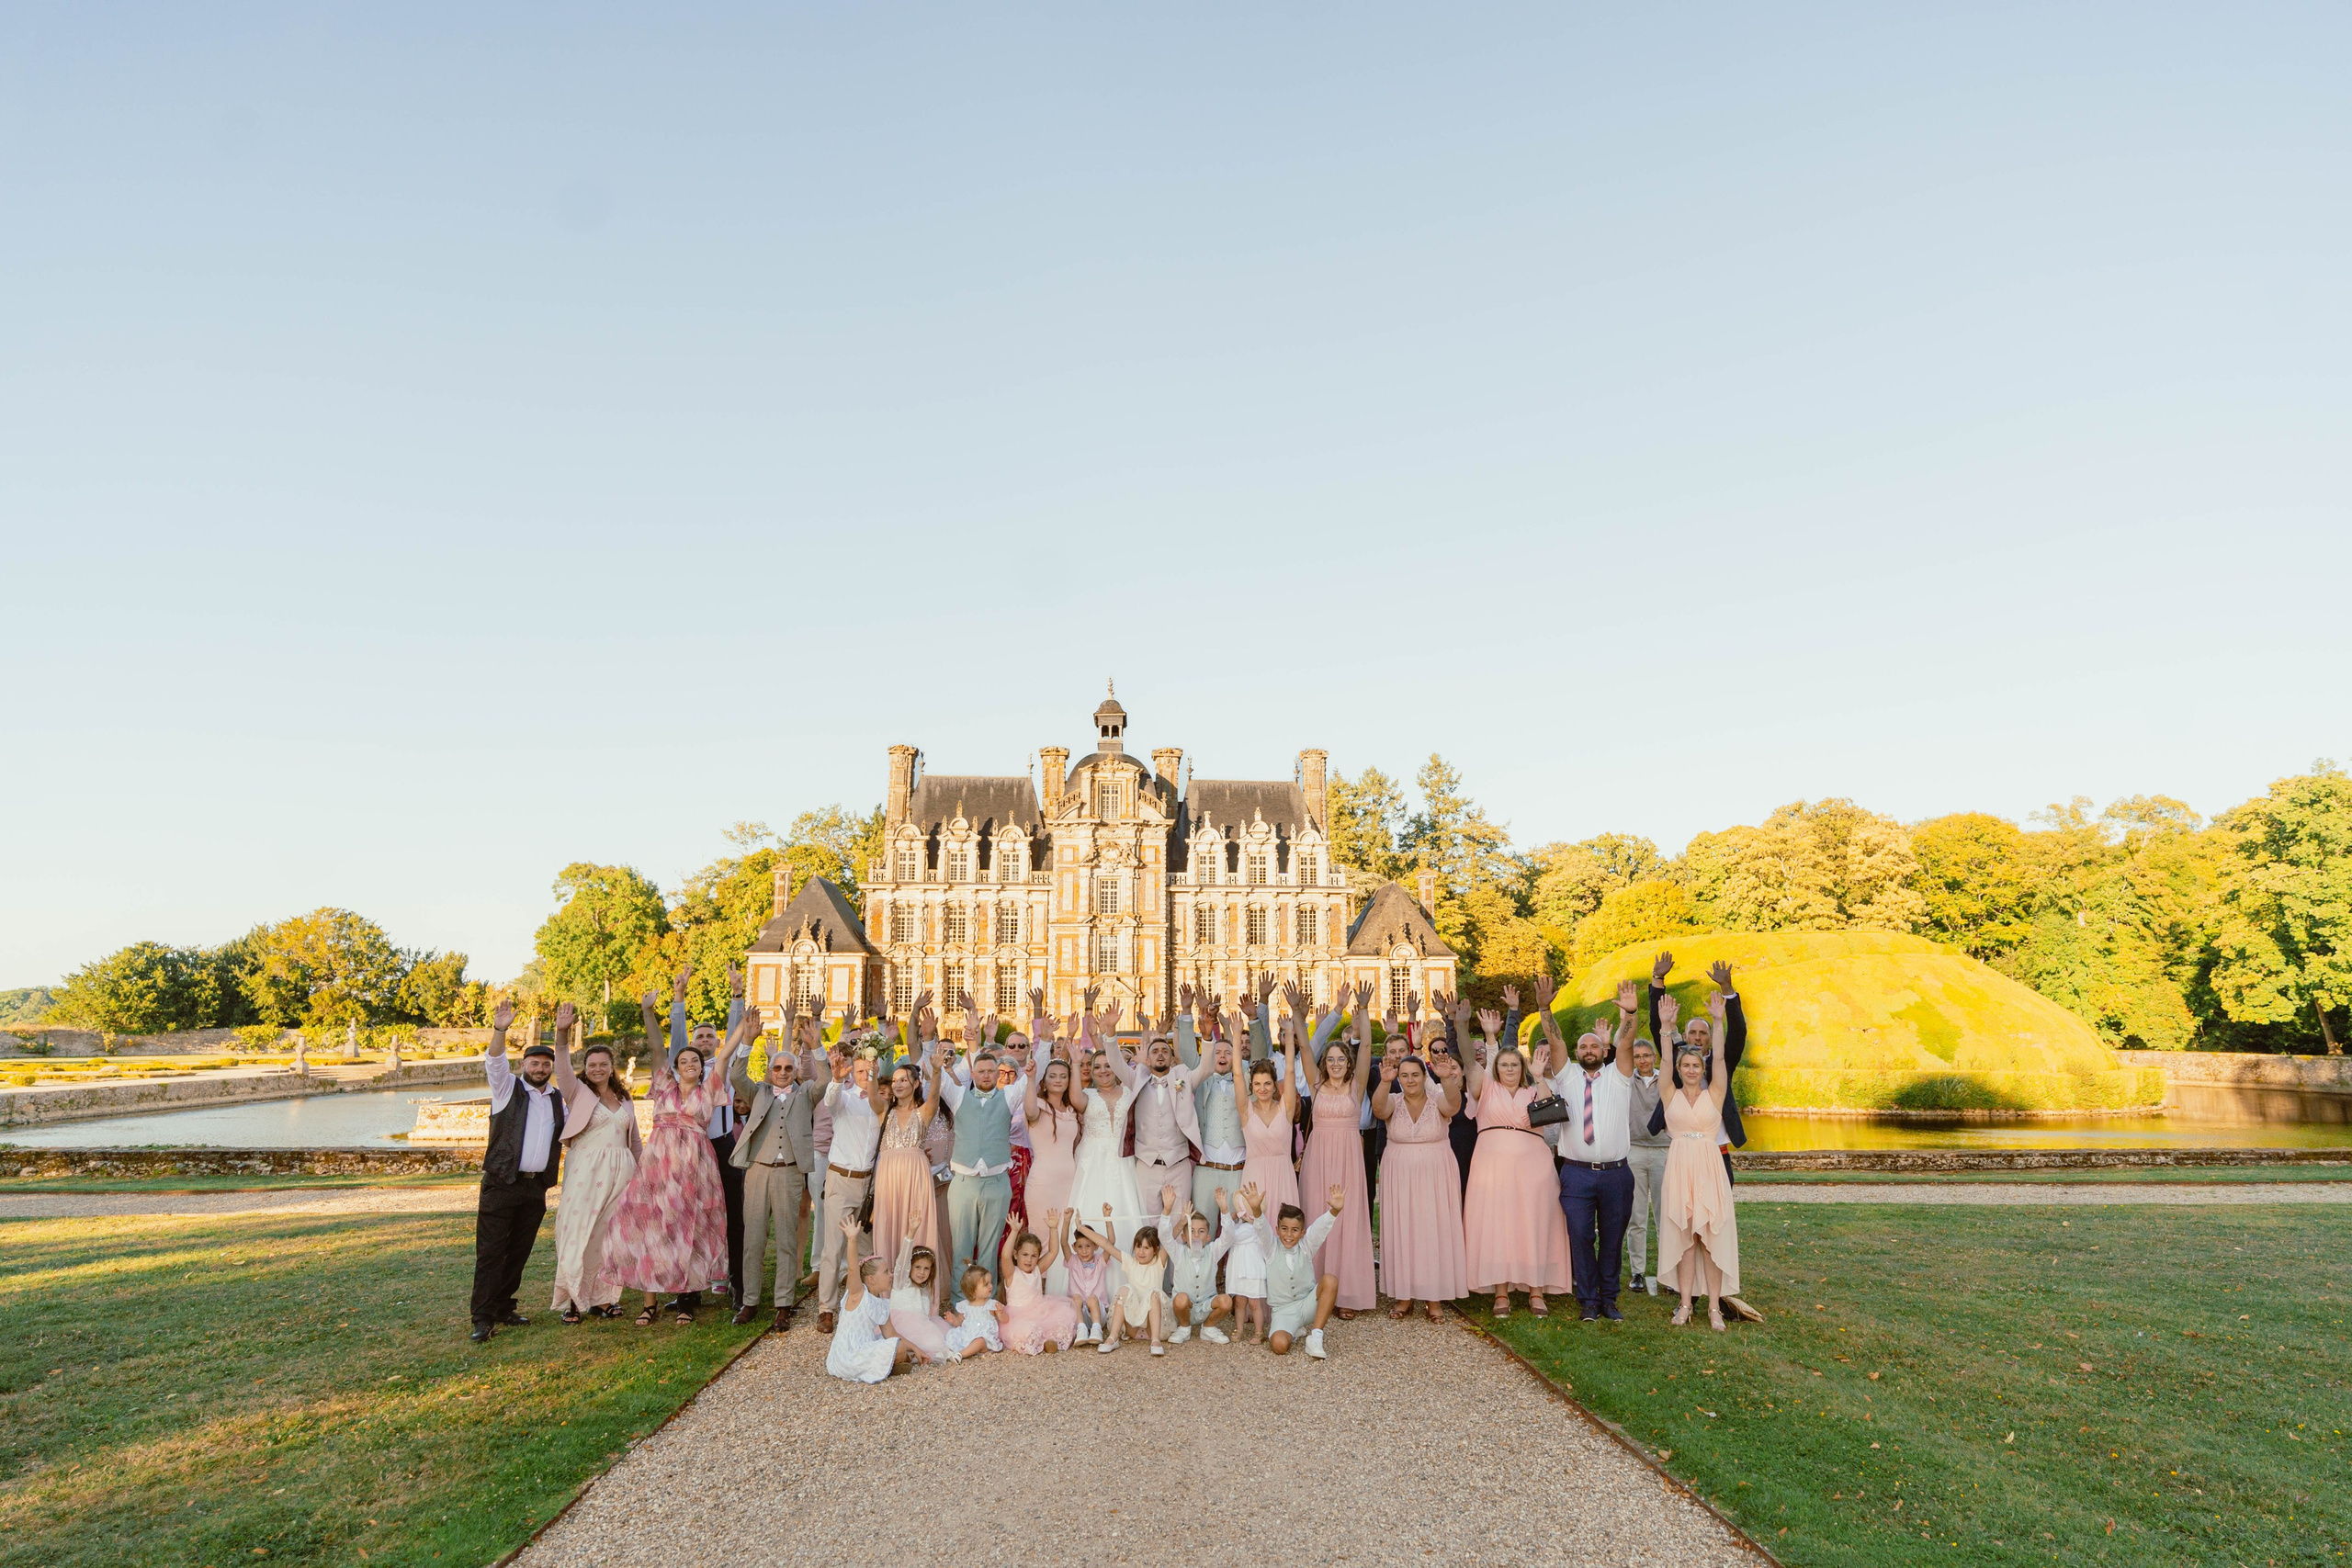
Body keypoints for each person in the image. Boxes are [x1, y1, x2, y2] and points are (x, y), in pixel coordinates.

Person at [597, 999, 745, 1325]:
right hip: (658, 1166)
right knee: (646, 1225)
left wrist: (743, 1027)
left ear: (701, 1067)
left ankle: (686, 1301)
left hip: (695, 1166)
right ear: (676, 1067)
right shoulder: (664, 1086)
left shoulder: (709, 1091)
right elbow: (655, 1045)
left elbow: (724, 1056)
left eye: (695, 1060)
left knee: (688, 1229)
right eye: (684, 1060)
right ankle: (648, 1303)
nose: (690, 1063)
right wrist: (649, 1012)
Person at [1460, 1003, 1574, 1319]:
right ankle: (1500, 1292)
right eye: (1504, 1064)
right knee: (1497, 1224)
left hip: (1533, 1168)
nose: (1510, 1069)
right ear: (1497, 1068)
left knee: (1532, 1222)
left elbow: (1555, 1111)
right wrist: (1490, 1035)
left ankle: (1536, 1290)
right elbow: (1472, 1063)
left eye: (1515, 1065)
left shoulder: (1532, 1091)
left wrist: (1538, 1078)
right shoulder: (1486, 1090)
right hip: (1491, 1168)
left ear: (1522, 1068)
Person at [470, 998, 569, 1342]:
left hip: (535, 1187)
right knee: (491, 1252)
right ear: (524, 1063)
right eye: (534, 1063)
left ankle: (503, 1306)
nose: (540, 1068)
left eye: (545, 1064)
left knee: (519, 1252)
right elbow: (495, 1060)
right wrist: (500, 1029)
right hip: (501, 1183)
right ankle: (482, 1317)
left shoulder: (559, 1099)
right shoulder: (506, 1088)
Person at [1545, 976, 1638, 1322]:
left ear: (1603, 1051)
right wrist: (1544, 1009)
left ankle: (1609, 1298)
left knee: (1612, 1238)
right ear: (1577, 1052)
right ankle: (1587, 1298)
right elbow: (1554, 1042)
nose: (1588, 1051)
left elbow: (1627, 1044)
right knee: (1581, 1235)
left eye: (1594, 1047)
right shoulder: (1566, 1076)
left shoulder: (1619, 1075)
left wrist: (1631, 1013)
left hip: (1616, 1174)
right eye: (1583, 1047)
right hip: (1576, 1174)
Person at [547, 1002, 642, 1324]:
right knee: (578, 1231)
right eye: (592, 1064)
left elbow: (636, 1141)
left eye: (603, 1064)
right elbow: (560, 1063)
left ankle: (603, 1298)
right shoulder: (576, 1093)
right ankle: (574, 1299)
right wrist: (562, 1031)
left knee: (609, 1235)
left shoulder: (625, 1099)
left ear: (611, 1066)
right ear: (585, 1068)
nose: (597, 1069)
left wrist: (642, 1175)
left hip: (622, 1171)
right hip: (586, 1171)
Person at [729, 995, 820, 1330]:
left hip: (790, 1174)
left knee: (785, 1240)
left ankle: (783, 1303)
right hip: (758, 1171)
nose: (782, 1073)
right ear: (770, 1071)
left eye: (788, 1068)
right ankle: (750, 1301)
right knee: (753, 1239)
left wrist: (818, 1045)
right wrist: (748, 1042)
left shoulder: (807, 1093)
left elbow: (824, 1081)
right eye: (777, 1068)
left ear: (796, 1071)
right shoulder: (759, 1093)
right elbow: (737, 1076)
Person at [1657, 985, 1743, 1331]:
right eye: (1686, 1065)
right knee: (1685, 1238)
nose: (1692, 1070)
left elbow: (1720, 1059)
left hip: (1709, 1166)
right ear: (1679, 1068)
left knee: (1709, 1237)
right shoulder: (1668, 1093)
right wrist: (1666, 1027)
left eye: (1696, 1065)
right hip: (1679, 1167)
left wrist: (1717, 1021)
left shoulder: (1716, 1092)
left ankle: (1713, 1309)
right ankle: (1683, 1305)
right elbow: (1664, 1059)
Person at [667, 964, 748, 1311]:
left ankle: (738, 1285)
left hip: (722, 1147)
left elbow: (735, 1033)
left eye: (709, 1038)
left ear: (717, 1044)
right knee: (688, 1219)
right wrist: (679, 999)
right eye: (698, 1038)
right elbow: (675, 1039)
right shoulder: (682, 1071)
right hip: (687, 1152)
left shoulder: (721, 1071)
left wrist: (736, 996)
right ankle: (688, 1289)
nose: (703, 1042)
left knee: (732, 1217)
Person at [1296, 981, 1377, 1315]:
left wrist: (1361, 1008)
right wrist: (1300, 1017)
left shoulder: (1356, 1088)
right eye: (1329, 1059)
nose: (1334, 1063)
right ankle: (1312, 1293)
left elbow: (1368, 1046)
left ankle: (1346, 1295)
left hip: (1347, 1157)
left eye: (1340, 1058)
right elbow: (1303, 1049)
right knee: (1316, 1216)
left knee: (1346, 1222)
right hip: (1318, 1158)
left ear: (1348, 1060)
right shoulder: (1316, 1085)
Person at [1370, 1042, 1465, 1321]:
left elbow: (1454, 1106)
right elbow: (1378, 1109)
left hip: (1436, 1173)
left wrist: (1446, 1077)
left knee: (1433, 1230)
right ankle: (1404, 1296)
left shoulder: (1437, 1099)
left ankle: (1434, 1299)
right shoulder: (1394, 1101)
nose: (1410, 1080)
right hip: (1399, 1174)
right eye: (1404, 1075)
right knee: (1404, 1229)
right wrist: (1385, 1082)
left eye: (1415, 1075)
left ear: (1425, 1076)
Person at [938, 1006, 1024, 1294]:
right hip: (963, 1182)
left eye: (992, 1071)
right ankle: (961, 1302)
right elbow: (938, 1078)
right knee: (963, 1247)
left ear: (998, 1073)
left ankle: (985, 1304)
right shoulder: (959, 1095)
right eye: (981, 1070)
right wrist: (971, 1037)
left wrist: (1046, 1041)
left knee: (989, 1248)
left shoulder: (1009, 1096)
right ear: (973, 1073)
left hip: (998, 1182)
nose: (987, 1075)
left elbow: (1030, 1075)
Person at [1064, 999, 1146, 1289]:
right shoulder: (1088, 1095)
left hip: (1123, 1162)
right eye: (1096, 1067)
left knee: (1127, 1212)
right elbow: (1074, 1100)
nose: (1102, 1070)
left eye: (1107, 1065)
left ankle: (1129, 1284)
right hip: (1092, 1161)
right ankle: (1087, 1285)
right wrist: (1075, 1063)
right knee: (1089, 1212)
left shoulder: (1129, 1092)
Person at [813, 1036, 881, 1334]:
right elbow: (830, 1100)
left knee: (867, 1246)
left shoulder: (881, 1104)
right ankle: (826, 1309)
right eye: (860, 1072)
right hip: (841, 1179)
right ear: (853, 1071)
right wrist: (837, 1080)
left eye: (869, 1072)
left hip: (868, 1184)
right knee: (834, 1247)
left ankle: (866, 1301)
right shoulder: (843, 1099)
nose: (864, 1077)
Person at [866, 1043, 944, 1288]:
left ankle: (918, 1290)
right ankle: (888, 1290)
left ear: (915, 1084)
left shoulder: (924, 1112)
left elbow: (934, 1096)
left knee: (916, 1223)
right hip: (888, 1175)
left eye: (904, 1080)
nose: (898, 1085)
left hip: (916, 1174)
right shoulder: (884, 1112)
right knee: (888, 1224)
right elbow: (872, 1098)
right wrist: (872, 1073)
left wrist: (937, 1071)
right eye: (895, 1081)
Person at [1238, 1179, 1341, 1359]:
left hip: (1308, 1304)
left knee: (1330, 1280)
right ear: (1277, 1230)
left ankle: (1315, 1337)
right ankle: (1294, 1330)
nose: (1288, 1234)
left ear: (1302, 1233)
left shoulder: (1306, 1246)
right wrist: (1256, 1210)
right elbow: (1262, 1230)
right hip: (1283, 1310)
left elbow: (1319, 1229)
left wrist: (1334, 1211)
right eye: (1284, 1229)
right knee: (1279, 1346)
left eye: (1295, 1230)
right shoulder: (1270, 1248)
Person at [825, 1214, 915, 1382]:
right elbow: (853, 1269)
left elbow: (891, 1334)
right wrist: (852, 1239)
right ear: (871, 1279)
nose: (891, 1275)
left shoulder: (882, 1304)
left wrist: (918, 1350)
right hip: (847, 1355)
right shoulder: (858, 1295)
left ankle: (886, 1366)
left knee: (899, 1345)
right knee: (899, 1348)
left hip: (864, 1348)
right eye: (886, 1272)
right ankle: (884, 1366)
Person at [1023, 1048, 1084, 1292]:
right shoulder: (1038, 1105)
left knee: (1063, 1234)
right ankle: (1036, 1290)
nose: (1058, 1080)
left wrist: (1078, 1065)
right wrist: (1030, 1079)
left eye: (1063, 1076)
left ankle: (1061, 1288)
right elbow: (1029, 1112)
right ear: (1044, 1081)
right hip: (1043, 1183)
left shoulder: (1072, 1111)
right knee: (1041, 1235)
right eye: (1052, 1076)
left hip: (1069, 1183)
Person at [1078, 1202, 1170, 1356]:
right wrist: (1082, 1228)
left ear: (1155, 1250)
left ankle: (1155, 1341)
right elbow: (1106, 1244)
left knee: (1154, 1294)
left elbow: (1167, 1238)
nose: (1141, 1251)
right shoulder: (1130, 1262)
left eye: (1146, 1248)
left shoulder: (1158, 1263)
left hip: (1152, 1327)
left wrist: (1167, 1210)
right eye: (1138, 1246)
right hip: (1132, 1327)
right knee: (1125, 1289)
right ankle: (1113, 1338)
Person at [1159, 1189, 1235, 1345]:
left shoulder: (1213, 1251)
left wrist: (1224, 1210)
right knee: (1180, 1298)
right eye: (1191, 1231)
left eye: (1201, 1232)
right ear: (1184, 1237)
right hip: (1184, 1307)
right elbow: (1165, 1237)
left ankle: (1208, 1328)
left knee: (1226, 1301)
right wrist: (1167, 1210)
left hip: (1207, 1305)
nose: (1195, 1235)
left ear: (1208, 1237)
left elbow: (1228, 1237)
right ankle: (1184, 1328)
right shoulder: (1179, 1252)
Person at [1623, 1035, 1668, 1297]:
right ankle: (1637, 1271)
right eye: (1637, 1056)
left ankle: (1668, 1271)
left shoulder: (1665, 1079)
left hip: (1664, 1150)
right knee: (1636, 1215)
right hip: (1635, 1151)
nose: (1642, 1060)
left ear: (1654, 1057)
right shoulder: (1627, 1080)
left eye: (1646, 1055)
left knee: (1665, 1215)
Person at [998, 1213, 1079, 1353]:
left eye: (1034, 1256)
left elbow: (1053, 1252)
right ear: (1016, 1254)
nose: (1029, 1260)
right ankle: (1041, 1341)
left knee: (1062, 1319)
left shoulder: (1037, 1270)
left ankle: (1047, 1341)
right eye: (1025, 1255)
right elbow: (1005, 1256)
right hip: (1018, 1316)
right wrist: (1014, 1231)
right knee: (1026, 1330)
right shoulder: (1012, 1273)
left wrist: (1053, 1229)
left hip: (1041, 1310)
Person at [886, 1237, 954, 1364]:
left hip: (922, 1328)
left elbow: (924, 1317)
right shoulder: (902, 1283)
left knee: (946, 1336)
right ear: (909, 1267)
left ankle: (911, 1355)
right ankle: (909, 1354)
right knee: (932, 1342)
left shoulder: (924, 1290)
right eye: (917, 1267)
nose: (921, 1272)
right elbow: (902, 1262)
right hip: (901, 1327)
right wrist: (910, 1233)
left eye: (926, 1268)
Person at [1060, 1209, 1114, 1345]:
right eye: (1080, 1247)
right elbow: (1063, 1243)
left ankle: (1096, 1330)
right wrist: (1067, 1221)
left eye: (1088, 1246)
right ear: (1074, 1247)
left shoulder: (1100, 1261)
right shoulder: (1073, 1262)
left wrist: (1107, 1218)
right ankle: (1081, 1330)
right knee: (1076, 1297)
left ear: (1096, 1246)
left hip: (1097, 1312)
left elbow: (1111, 1242)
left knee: (1092, 1299)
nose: (1084, 1251)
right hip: (1078, 1314)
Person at [944, 1267, 1004, 1359]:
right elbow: (960, 1322)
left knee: (980, 1341)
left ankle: (961, 1355)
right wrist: (954, 1320)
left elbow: (1005, 1320)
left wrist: (1001, 1313)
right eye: (986, 1284)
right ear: (973, 1291)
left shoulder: (991, 1305)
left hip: (985, 1339)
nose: (991, 1286)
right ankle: (948, 1352)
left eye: (990, 1282)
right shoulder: (965, 1306)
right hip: (967, 1336)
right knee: (953, 1335)